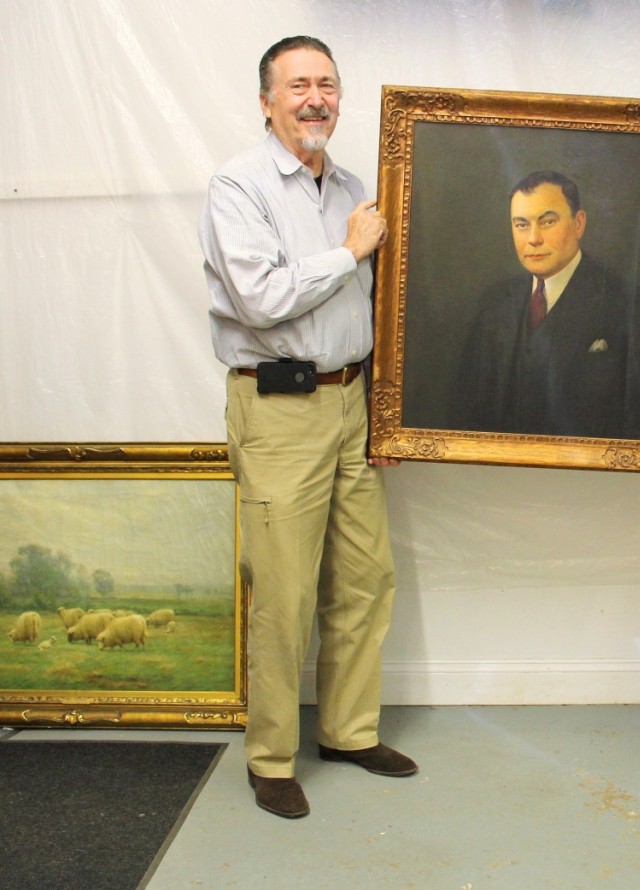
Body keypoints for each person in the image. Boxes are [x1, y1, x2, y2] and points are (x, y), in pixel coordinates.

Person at [199, 35, 416, 819]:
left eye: (327, 83)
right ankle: (271, 757)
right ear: (267, 101)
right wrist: (347, 250)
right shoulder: (239, 184)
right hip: (279, 410)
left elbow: (372, 301)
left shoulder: (354, 184)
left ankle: (350, 732)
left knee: (364, 578)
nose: (315, 97)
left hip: (351, 406)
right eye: (298, 86)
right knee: (286, 594)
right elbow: (259, 299)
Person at [457, 171, 640, 439]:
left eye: (548, 221)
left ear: (579, 223)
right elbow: (468, 410)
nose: (533, 239)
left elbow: (638, 418)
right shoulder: (494, 304)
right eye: (521, 224)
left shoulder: (627, 304)